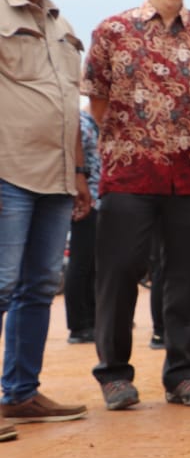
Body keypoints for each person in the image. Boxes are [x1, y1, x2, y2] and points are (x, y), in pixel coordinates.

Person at [82, 0, 190, 411]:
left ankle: (182, 373)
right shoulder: (113, 31)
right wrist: (131, 141)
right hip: (129, 173)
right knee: (119, 273)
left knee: (185, 278)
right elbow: (96, 102)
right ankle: (115, 374)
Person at [0, 0, 91, 437]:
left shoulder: (60, 21)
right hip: (8, 169)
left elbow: (68, 104)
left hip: (55, 176)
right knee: (1, 285)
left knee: (37, 288)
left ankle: (21, 394)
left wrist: (79, 171)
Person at [63, 104, 101, 344]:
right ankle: (78, 324)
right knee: (80, 263)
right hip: (85, 200)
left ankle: (94, 318)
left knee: (94, 264)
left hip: (100, 201)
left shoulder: (95, 125)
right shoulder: (84, 125)